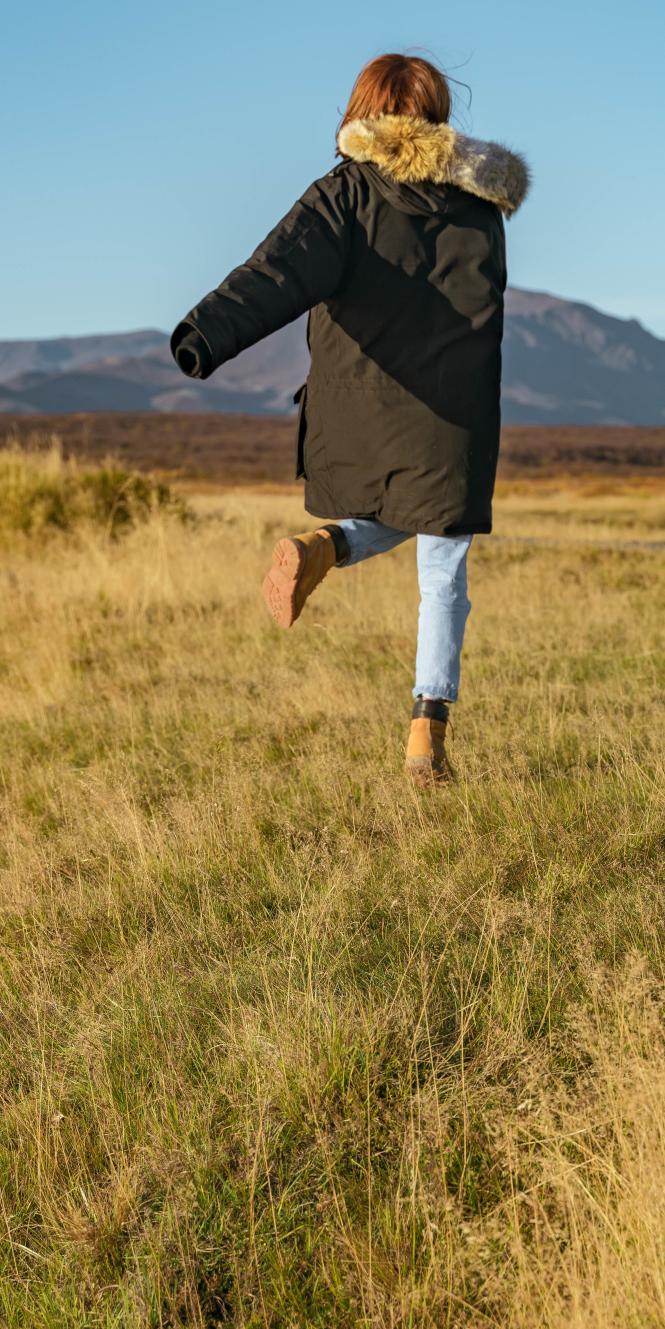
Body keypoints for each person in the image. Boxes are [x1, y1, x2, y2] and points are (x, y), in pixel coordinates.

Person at [169, 54, 529, 785]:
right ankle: (426, 734)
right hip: (451, 412)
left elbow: (276, 271)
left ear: (361, 111)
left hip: (359, 400)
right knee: (442, 567)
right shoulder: (480, 209)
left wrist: (204, 334)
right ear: (435, 114)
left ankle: (327, 544)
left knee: (405, 517)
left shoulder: (342, 194)